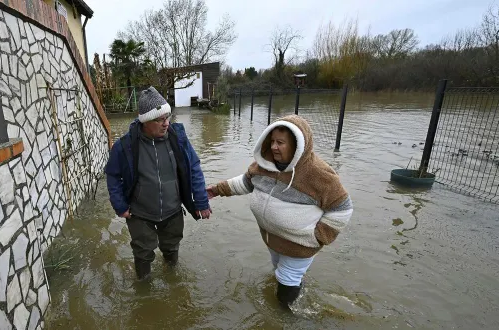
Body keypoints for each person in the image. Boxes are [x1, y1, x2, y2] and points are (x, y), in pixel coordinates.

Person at [206, 115, 353, 308]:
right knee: (279, 273)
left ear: (297, 145)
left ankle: (288, 316)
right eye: (272, 141)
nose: (274, 147)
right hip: (272, 239)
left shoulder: (319, 174)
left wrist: (318, 236)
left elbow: (343, 208)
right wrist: (216, 190)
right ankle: (296, 293)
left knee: (284, 293)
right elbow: (246, 182)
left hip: (299, 246)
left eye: (280, 143)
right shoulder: (264, 164)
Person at [104, 86, 212, 281]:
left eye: (168, 117)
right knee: (143, 254)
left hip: (172, 211)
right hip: (140, 214)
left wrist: (202, 202)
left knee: (172, 249)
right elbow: (112, 175)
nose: (166, 124)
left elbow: (193, 167)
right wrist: (120, 206)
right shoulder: (125, 146)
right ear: (145, 121)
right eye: (160, 119)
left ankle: (173, 283)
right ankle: (144, 290)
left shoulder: (177, 138)